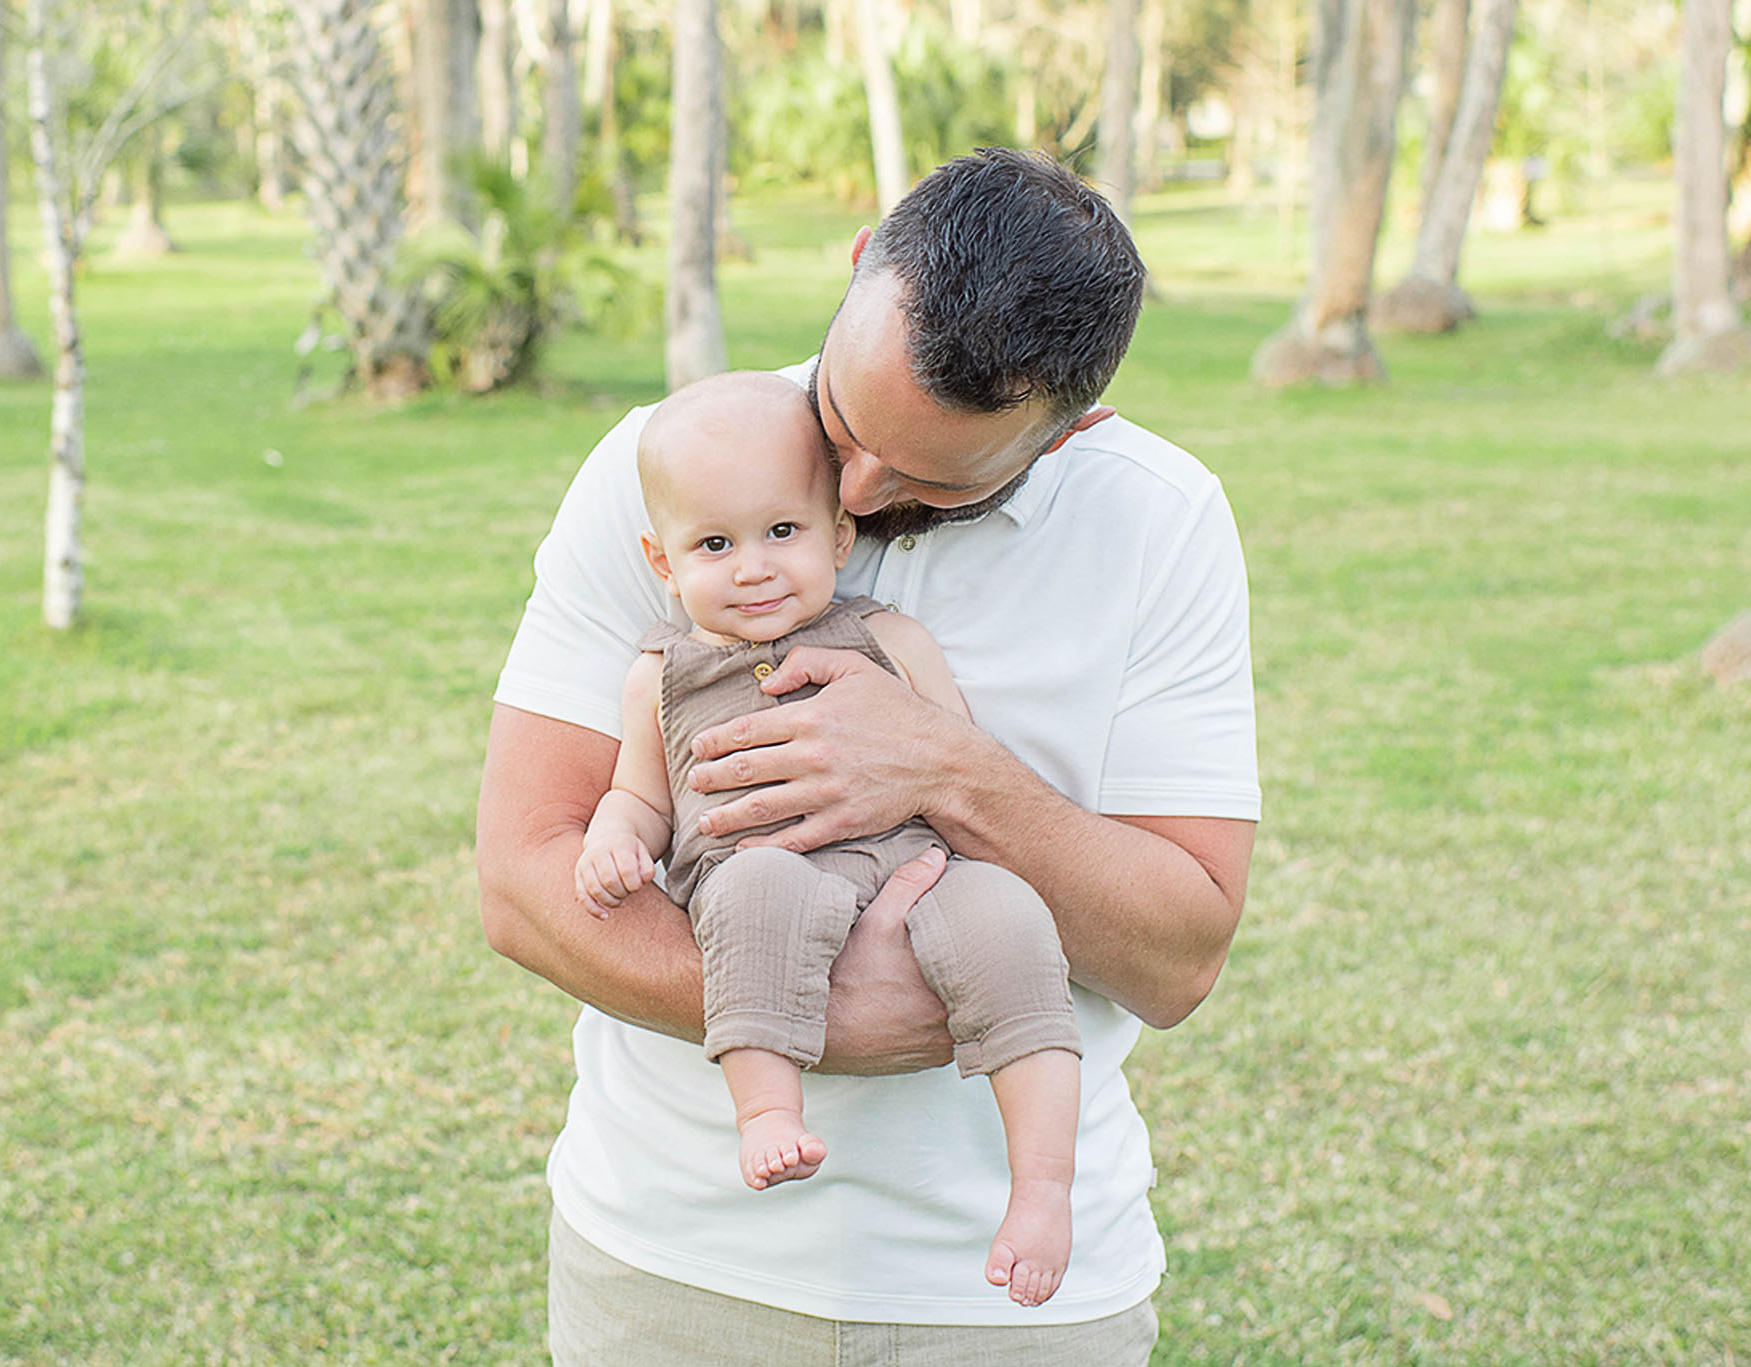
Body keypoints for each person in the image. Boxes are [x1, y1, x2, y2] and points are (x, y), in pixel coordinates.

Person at [478, 147, 1260, 1365]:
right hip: (672, 1263)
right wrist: (817, 1018)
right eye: (842, 424)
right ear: (857, 263)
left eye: (931, 480)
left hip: (1008, 1308)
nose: (850, 492)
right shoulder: (663, 467)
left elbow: (1179, 956)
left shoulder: (1160, 522)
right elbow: (523, 880)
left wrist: (947, 770)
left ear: (1066, 431)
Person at [574, 370, 1083, 1307]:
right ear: (661, 560)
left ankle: (1043, 1188)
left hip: (915, 864)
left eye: (782, 532)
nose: (754, 566)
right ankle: (768, 1110)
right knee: (753, 896)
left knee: (1010, 917)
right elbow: (641, 795)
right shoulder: (661, 674)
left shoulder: (889, 636)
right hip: (759, 864)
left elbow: (965, 766)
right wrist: (615, 835)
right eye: (714, 544)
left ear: (838, 536)